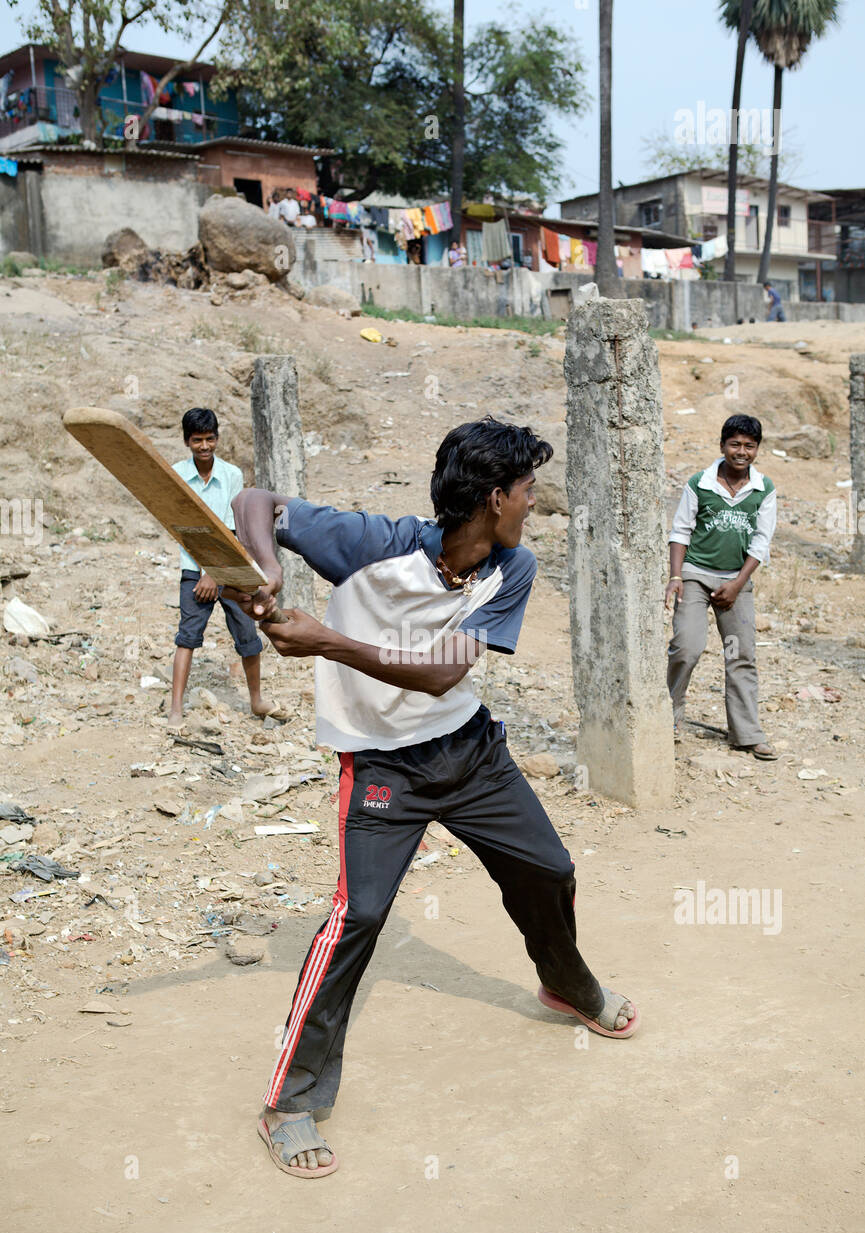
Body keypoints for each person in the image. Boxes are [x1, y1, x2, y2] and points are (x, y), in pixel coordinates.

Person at [227, 417, 640, 1178]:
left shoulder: (510, 567)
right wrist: (264, 568)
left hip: (471, 751)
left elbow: (443, 672)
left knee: (549, 869)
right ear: (493, 498)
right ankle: (290, 1101)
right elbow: (257, 499)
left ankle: (567, 983)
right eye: (528, 491)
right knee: (361, 916)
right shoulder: (371, 545)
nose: (534, 504)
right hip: (384, 767)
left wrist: (325, 641)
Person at [665, 414, 778, 760]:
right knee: (687, 646)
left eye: (749, 446)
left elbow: (761, 542)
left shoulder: (763, 490)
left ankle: (746, 734)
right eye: (735, 444)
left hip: (736, 582)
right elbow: (681, 531)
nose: (741, 452)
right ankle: (665, 720)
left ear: (757, 449)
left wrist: (738, 583)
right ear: (722, 446)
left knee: (740, 654)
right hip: (696, 576)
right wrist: (676, 576)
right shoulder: (701, 483)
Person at [167, 408, 276, 728]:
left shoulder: (231, 475)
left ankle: (256, 700)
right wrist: (202, 573)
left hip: (230, 566)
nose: (204, 446)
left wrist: (214, 574)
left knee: (246, 633)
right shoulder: (176, 474)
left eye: (210, 439)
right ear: (187, 441)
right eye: (197, 440)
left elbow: (232, 530)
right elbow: (183, 529)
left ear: (217, 438)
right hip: (192, 569)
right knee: (187, 637)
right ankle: (176, 709)